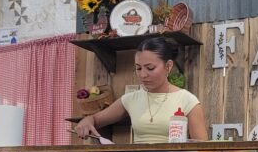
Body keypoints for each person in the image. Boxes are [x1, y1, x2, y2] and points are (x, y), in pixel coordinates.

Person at [74, 37, 207, 144]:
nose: (143, 75)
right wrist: (87, 121)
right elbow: (95, 119)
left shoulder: (188, 101)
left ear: (168, 66)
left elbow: (203, 151)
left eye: (150, 68)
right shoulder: (131, 99)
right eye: (138, 68)